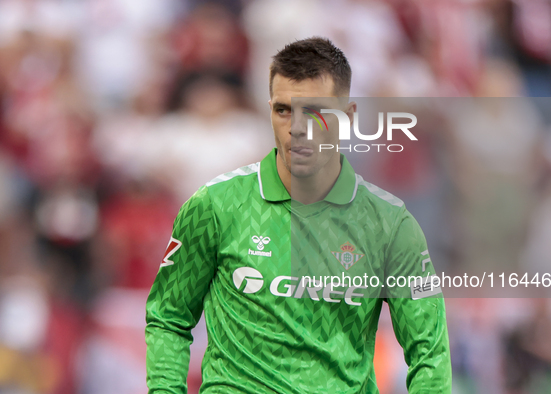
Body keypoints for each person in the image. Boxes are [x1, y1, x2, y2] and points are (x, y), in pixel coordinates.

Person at [146, 37, 452, 393]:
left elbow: (429, 350)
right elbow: (168, 318)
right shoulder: (214, 206)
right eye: (283, 110)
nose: (296, 127)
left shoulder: (390, 224)